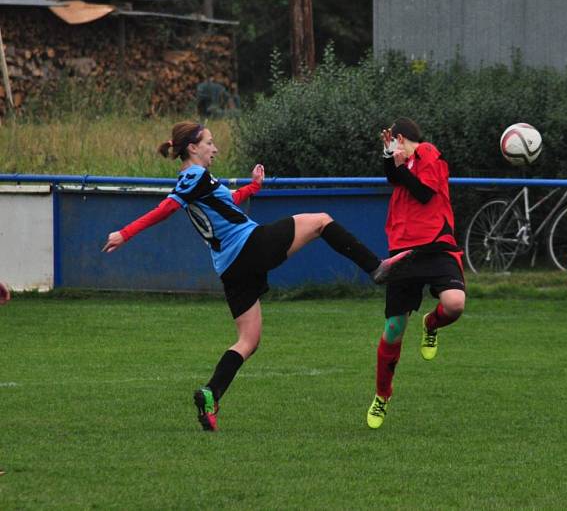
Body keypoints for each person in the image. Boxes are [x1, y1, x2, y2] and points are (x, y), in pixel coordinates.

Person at [102, 120, 412, 432]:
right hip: (249, 246)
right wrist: (124, 234)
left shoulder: (197, 179)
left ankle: (211, 394)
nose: (215, 148)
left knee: (248, 341)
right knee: (321, 221)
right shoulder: (193, 178)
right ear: (193, 147)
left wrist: (253, 187)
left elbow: (229, 201)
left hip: (230, 268)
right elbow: (165, 209)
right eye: (209, 142)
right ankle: (376, 268)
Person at [366, 117, 466, 429]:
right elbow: (392, 178)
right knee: (393, 330)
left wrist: (398, 161)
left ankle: (431, 323)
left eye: (393, 142)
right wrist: (389, 160)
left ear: (400, 138)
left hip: (437, 246)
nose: (392, 147)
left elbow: (423, 194)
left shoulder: (428, 154)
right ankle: (383, 395)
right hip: (404, 250)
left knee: (454, 304)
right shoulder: (402, 162)